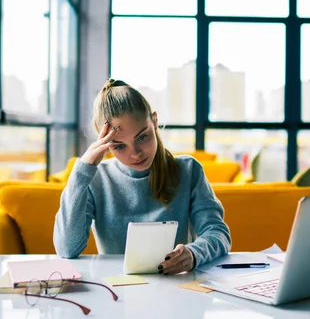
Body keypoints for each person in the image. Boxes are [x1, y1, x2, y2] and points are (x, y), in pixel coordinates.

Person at [54, 79, 231, 274]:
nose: (136, 153)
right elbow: (67, 249)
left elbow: (217, 232)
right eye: (119, 146)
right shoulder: (95, 179)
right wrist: (82, 172)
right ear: (104, 143)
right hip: (117, 289)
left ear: (154, 121)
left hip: (176, 286)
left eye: (142, 137)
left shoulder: (188, 170)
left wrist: (194, 253)